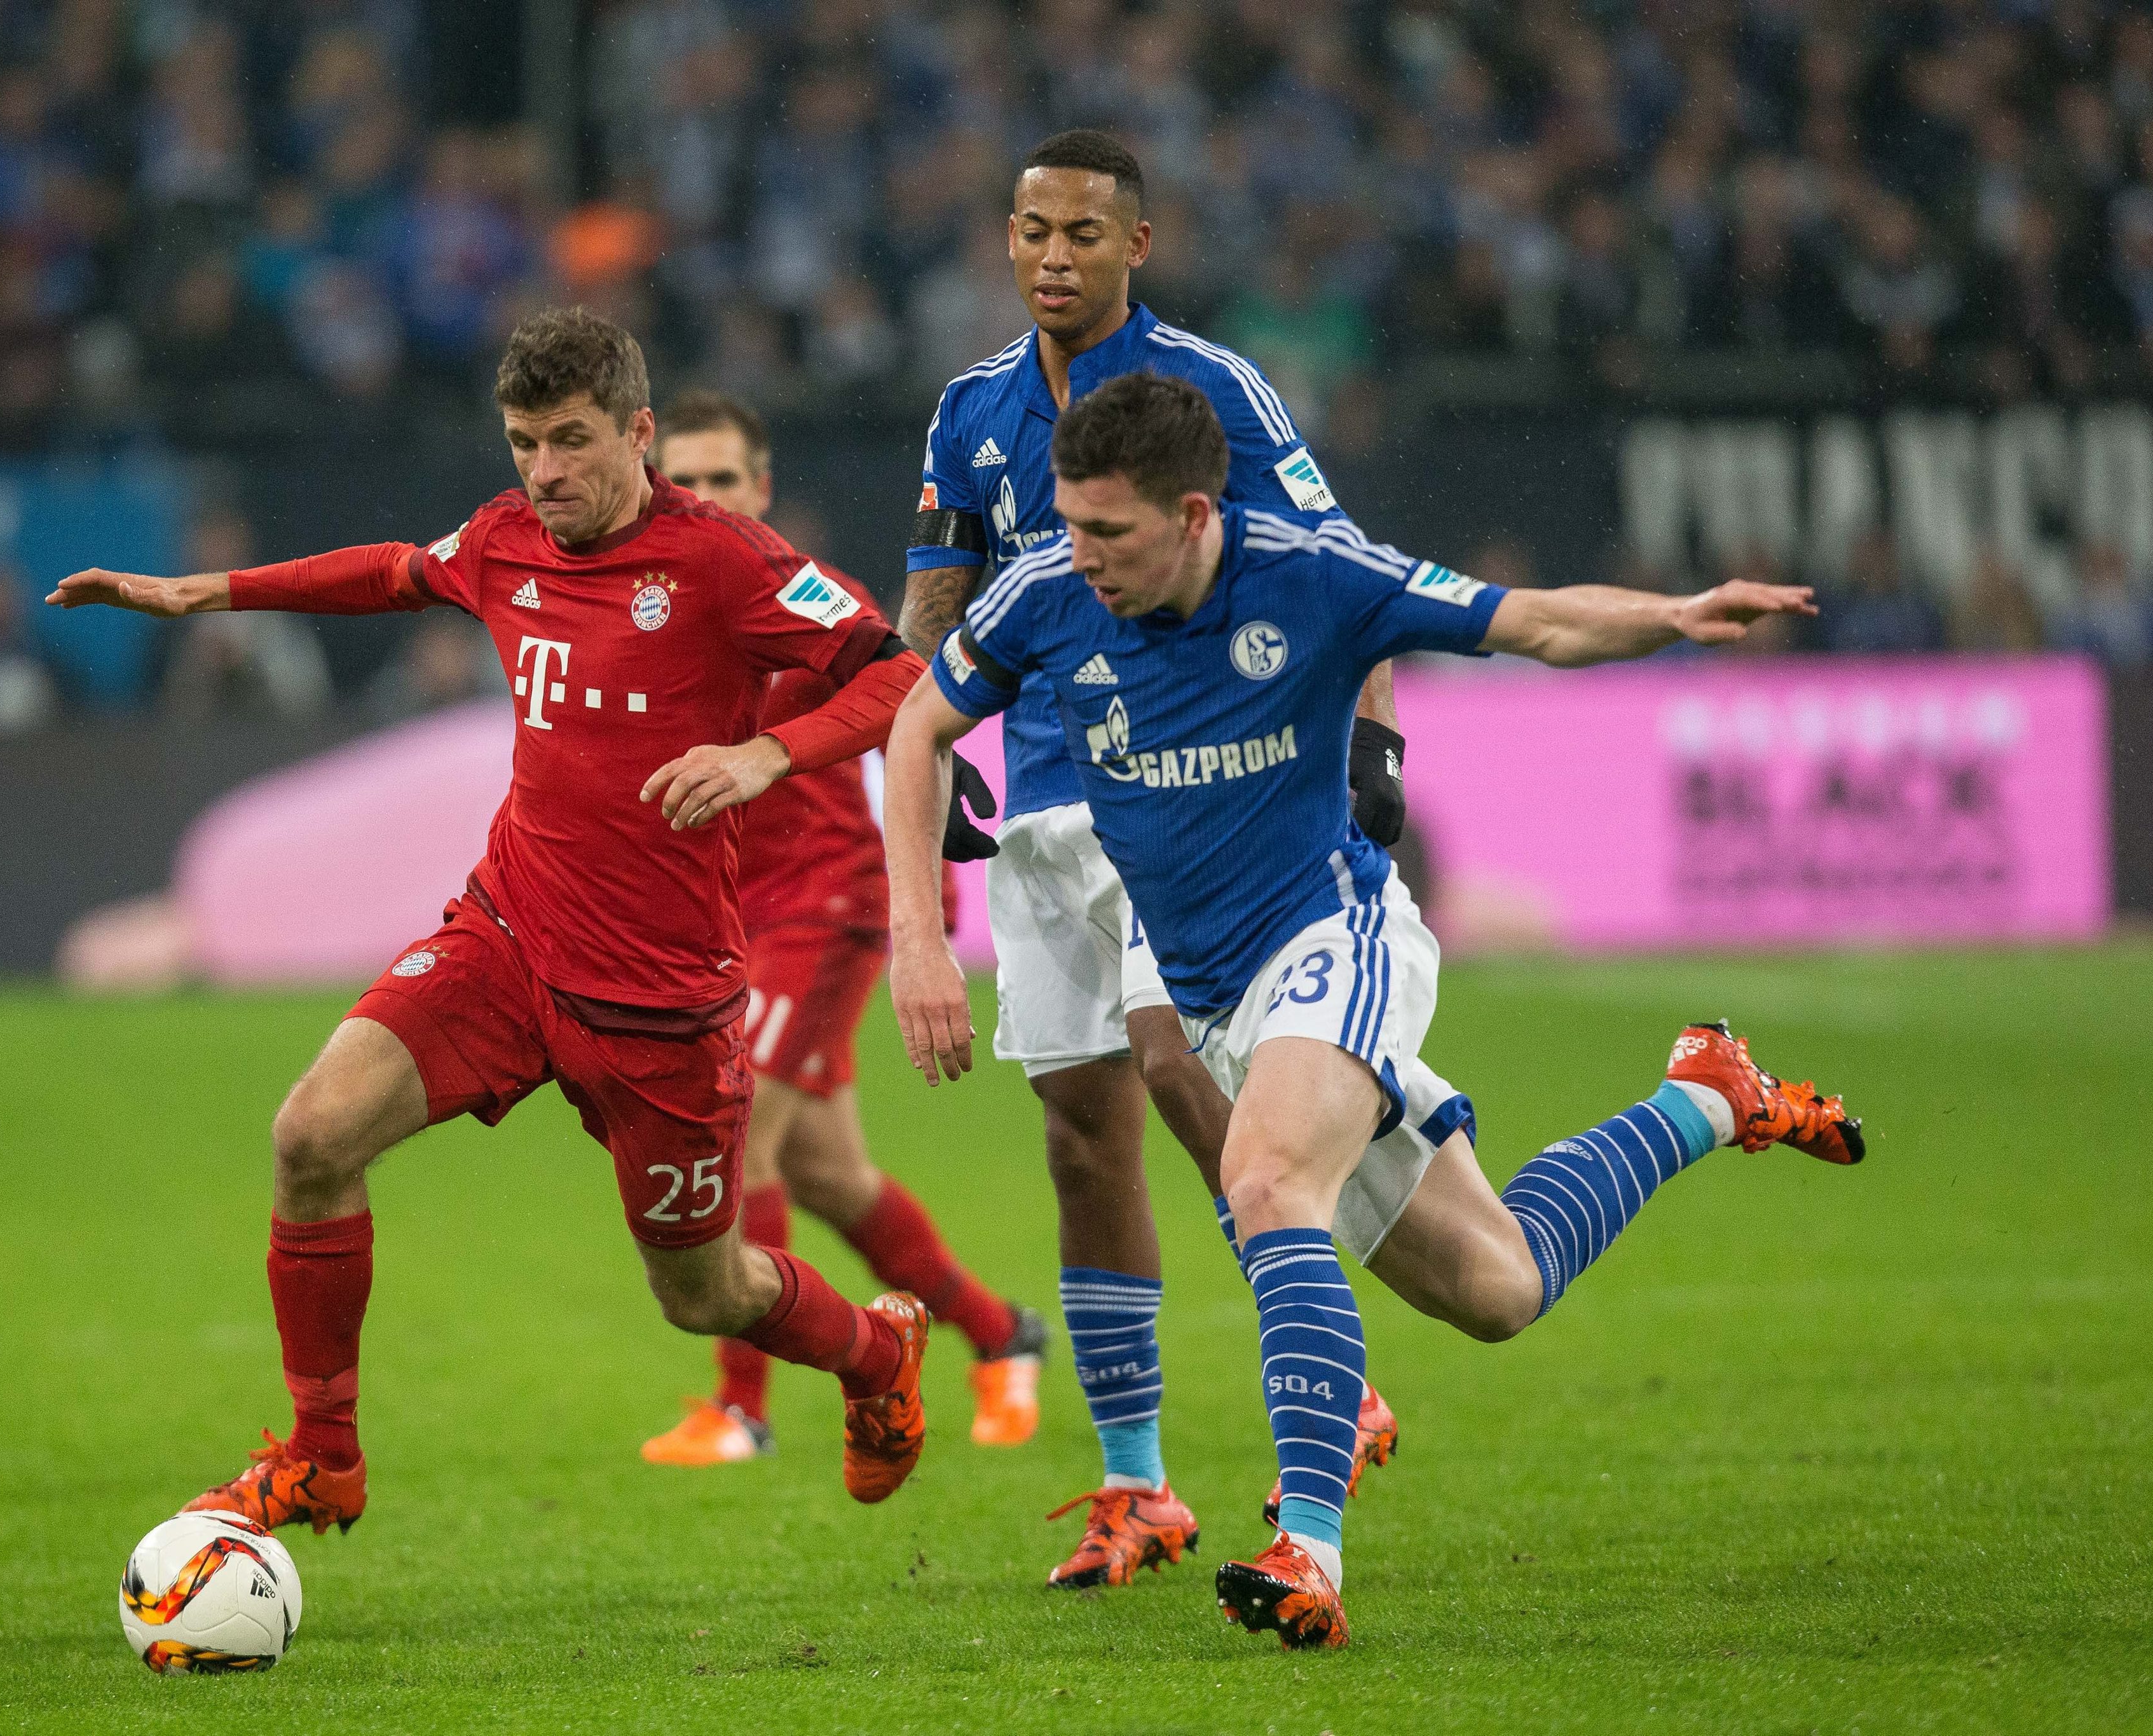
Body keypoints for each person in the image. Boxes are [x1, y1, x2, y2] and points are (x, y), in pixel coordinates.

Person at [885, 372, 1864, 1650]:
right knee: (1498, 1285)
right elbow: (917, 727)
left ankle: (1308, 1549)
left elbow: (1532, 622)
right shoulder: (1045, 594)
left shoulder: (1311, 576)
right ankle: (1706, 1096)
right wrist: (919, 936)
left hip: (1334, 940)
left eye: (1109, 531)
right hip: (1222, 1001)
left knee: (1263, 1177)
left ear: (1194, 514)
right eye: (1069, 524)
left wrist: (1672, 616)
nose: (1083, 556)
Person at [46, 307, 936, 1537]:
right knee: (312, 1136)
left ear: (637, 433)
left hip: (662, 1005)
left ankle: (876, 1356)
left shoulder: (727, 560)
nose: (544, 471)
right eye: (523, 442)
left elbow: (903, 676)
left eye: (570, 441)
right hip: (508, 939)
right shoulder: (508, 536)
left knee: (703, 1292)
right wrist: (211, 595)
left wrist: (768, 754)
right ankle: (322, 1456)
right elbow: (395, 572)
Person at [898, 128, 1406, 1590]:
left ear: (1137, 244)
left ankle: (1328, 1371)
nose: (1051, 257)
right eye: (1029, 231)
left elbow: (1346, 573)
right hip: (1041, 802)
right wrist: (928, 746)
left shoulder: (1212, 392)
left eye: (1080, 233)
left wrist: (1373, 741)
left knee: (1173, 1057)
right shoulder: (969, 410)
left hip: (1186, 780)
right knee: (1080, 1135)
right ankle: (1137, 1485)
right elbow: (931, 602)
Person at [637, 389, 1046, 1468]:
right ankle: (1001, 1334)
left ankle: (743, 1409)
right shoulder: (650, 609)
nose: (706, 498)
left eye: (724, 479)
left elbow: (910, 710)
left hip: (826, 907)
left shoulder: (813, 604)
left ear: (762, 488)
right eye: (686, 480)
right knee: (829, 1175)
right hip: (740, 920)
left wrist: (932, 881)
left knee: (737, 1143)